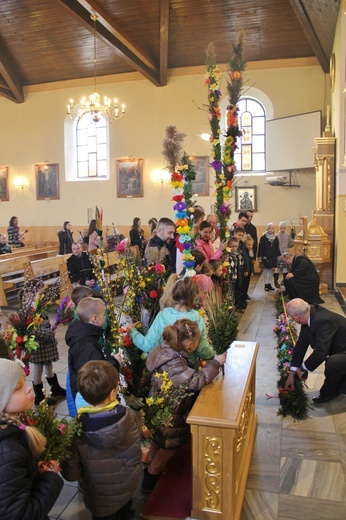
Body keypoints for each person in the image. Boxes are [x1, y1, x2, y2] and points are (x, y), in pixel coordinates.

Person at [142, 319, 226, 492]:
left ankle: (150, 463)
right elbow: (196, 381)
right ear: (188, 343)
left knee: (158, 441)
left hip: (160, 407)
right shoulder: (174, 363)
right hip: (172, 412)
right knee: (168, 448)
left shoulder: (164, 350)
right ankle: (150, 477)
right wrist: (215, 363)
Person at [61, 360, 142, 520]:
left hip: (99, 496)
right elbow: (136, 441)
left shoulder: (77, 429)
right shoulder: (129, 416)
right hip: (128, 484)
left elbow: (71, 473)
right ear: (113, 393)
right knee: (127, 512)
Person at [0, 358, 63, 519]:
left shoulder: (12, 428)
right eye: (18, 387)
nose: (29, 389)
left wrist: (33, 470)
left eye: (25, 382)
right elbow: (22, 514)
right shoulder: (8, 451)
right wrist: (50, 477)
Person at [129, 277, 215, 368]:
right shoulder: (197, 319)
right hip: (189, 371)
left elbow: (148, 345)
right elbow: (203, 350)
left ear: (174, 294)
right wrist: (215, 353)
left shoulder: (163, 315)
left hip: (165, 370)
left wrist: (133, 332)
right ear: (193, 297)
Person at [285, 298, 346, 403]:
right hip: (340, 348)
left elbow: (320, 353)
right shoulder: (309, 315)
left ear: (296, 317)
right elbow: (301, 346)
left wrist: (303, 368)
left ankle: (329, 393)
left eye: (290, 317)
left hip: (343, 351)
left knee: (333, 363)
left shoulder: (324, 321)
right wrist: (292, 372)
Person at [20, 280, 66, 406]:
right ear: (33, 292)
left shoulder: (37, 303)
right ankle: (39, 396)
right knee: (38, 369)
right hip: (38, 344)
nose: (43, 292)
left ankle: (55, 388)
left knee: (49, 365)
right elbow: (33, 329)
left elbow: (42, 320)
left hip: (46, 343)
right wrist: (49, 333)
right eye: (41, 291)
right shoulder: (29, 308)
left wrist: (50, 326)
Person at [65, 297, 119, 403]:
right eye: (104, 314)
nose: (105, 317)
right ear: (95, 318)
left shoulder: (83, 333)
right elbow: (95, 374)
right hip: (89, 398)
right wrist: (114, 361)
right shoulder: (87, 345)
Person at [258, 222, 281, 292]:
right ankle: (266, 284)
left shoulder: (275, 238)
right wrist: (259, 257)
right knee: (266, 271)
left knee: (270, 271)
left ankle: (269, 284)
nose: (270, 230)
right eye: (269, 228)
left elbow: (277, 248)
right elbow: (260, 248)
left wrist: (279, 256)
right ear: (266, 229)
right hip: (266, 257)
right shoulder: (263, 237)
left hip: (273, 257)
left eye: (272, 228)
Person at [274, 221, 294, 288]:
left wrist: (292, 241)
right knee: (278, 268)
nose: (283, 229)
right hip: (279, 254)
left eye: (284, 228)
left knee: (285, 269)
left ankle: (285, 282)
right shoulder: (276, 236)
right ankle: (276, 282)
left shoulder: (287, 236)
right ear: (279, 228)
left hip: (286, 255)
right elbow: (275, 246)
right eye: (281, 228)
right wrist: (278, 255)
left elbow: (290, 245)